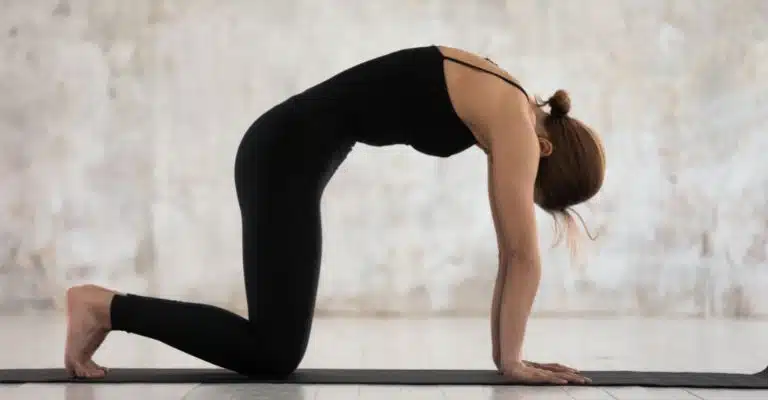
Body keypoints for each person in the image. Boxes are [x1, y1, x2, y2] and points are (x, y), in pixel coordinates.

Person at [64, 45, 605, 384]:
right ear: (547, 152)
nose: (520, 177)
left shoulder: (505, 93)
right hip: (286, 152)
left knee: (274, 346)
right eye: (536, 185)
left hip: (291, 149)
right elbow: (520, 253)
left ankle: (103, 309)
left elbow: (513, 254)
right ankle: (103, 308)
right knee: (273, 351)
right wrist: (512, 362)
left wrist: (504, 360)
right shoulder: (515, 121)